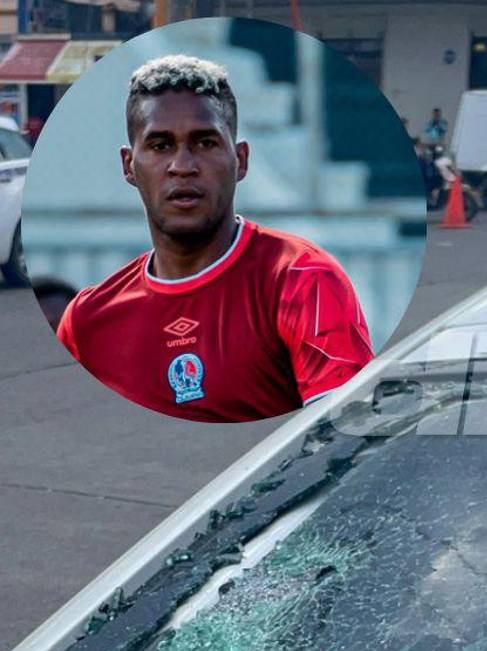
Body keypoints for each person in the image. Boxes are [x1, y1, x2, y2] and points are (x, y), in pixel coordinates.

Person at [56, 55, 373, 422]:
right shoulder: (86, 320)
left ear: (241, 159)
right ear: (129, 165)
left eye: (204, 143)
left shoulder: (304, 279)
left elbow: (345, 441)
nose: (183, 165)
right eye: (160, 145)